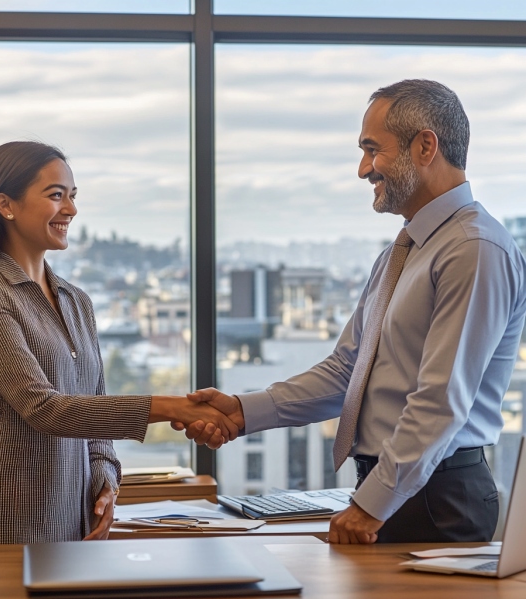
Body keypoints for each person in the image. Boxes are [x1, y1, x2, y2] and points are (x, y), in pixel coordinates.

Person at [179, 79, 526, 544]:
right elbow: (348, 372)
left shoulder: (472, 249)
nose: (364, 169)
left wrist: (372, 503)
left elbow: (441, 401)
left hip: (435, 496)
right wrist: (243, 411)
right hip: (400, 486)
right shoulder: (402, 252)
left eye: (372, 150)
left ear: (426, 146)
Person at [0, 141, 237, 544]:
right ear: (6, 205)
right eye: (55, 195)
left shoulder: (77, 301)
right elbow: (45, 410)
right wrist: (172, 407)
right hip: (10, 523)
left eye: (73, 196)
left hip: (77, 522)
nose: (71, 210)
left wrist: (106, 481)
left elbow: (94, 415)